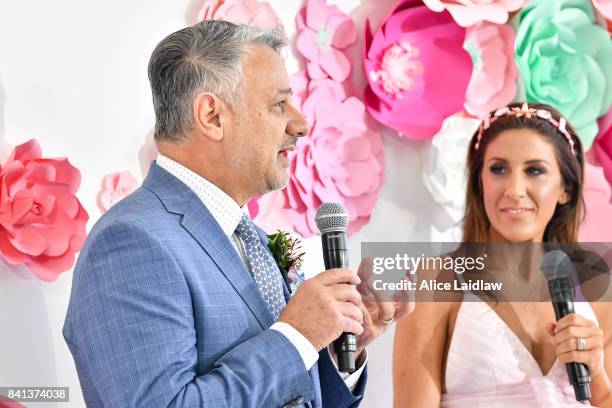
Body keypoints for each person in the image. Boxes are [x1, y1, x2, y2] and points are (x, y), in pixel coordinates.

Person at [63, 21, 408, 407]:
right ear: (212, 116)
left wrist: (337, 345)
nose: (301, 123)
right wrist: (297, 336)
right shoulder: (131, 242)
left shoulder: (250, 239)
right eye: (279, 104)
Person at [393, 102, 612, 407]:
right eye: (498, 169)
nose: (514, 189)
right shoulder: (436, 280)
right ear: (480, 183)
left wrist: (597, 372)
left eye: (534, 170)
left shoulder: (597, 288)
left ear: (566, 188)